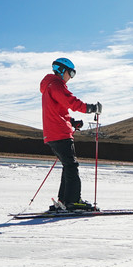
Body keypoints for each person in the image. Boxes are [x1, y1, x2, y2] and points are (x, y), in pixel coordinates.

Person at [40, 57, 101, 211]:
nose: (71, 77)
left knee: (68, 166)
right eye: (71, 73)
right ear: (62, 70)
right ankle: (73, 201)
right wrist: (91, 108)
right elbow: (71, 102)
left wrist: (72, 122)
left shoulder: (50, 86)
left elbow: (57, 110)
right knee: (72, 166)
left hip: (53, 132)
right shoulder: (57, 84)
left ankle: (64, 200)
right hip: (60, 133)